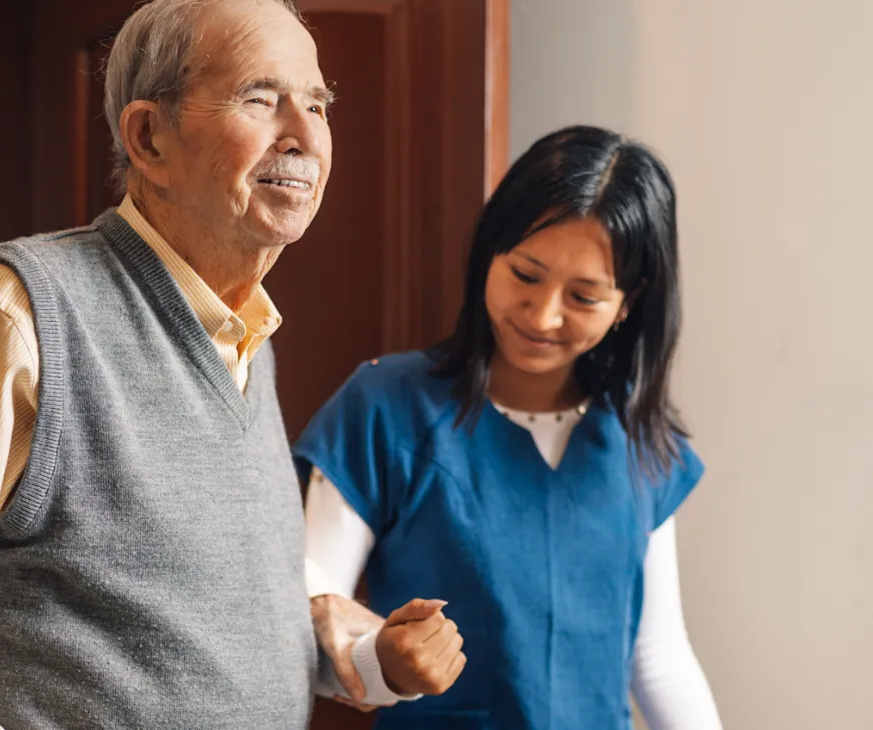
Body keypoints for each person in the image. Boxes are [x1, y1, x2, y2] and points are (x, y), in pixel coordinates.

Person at [0, 1, 460, 727]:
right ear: (148, 137)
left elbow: (191, 614)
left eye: (318, 104)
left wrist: (367, 661)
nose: (303, 135)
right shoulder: (17, 315)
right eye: (261, 99)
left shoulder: (245, 335)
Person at [296, 125, 725, 729]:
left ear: (630, 301)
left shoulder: (639, 440)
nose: (543, 314)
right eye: (526, 275)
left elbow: (655, 656)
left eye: (583, 297)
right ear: (490, 250)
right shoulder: (385, 408)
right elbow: (315, 625)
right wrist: (388, 666)